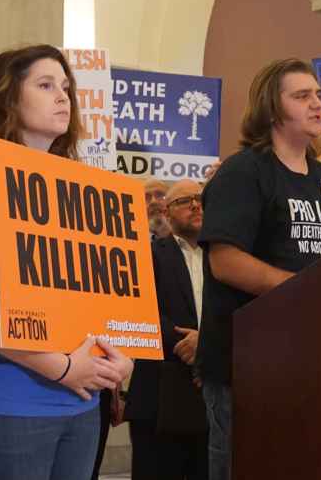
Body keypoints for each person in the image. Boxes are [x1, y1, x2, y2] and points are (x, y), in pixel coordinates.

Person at [0, 45, 134, 480]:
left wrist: (123, 357)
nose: (63, 97)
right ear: (9, 98)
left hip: (81, 400)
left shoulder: (81, 188)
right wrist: (63, 367)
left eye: (66, 87)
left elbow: (102, 296)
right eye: (46, 85)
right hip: (7, 400)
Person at [195, 58, 321, 480]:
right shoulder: (243, 171)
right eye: (302, 96)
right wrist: (303, 290)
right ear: (272, 109)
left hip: (313, 362)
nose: (317, 104)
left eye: (318, 95)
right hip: (246, 367)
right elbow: (225, 261)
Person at [124, 179, 209, 480]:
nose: (196, 205)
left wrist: (208, 343)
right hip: (159, 395)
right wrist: (191, 346)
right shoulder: (147, 255)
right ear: (167, 212)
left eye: (200, 198)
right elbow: (138, 312)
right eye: (185, 201)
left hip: (212, 393)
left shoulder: (224, 258)